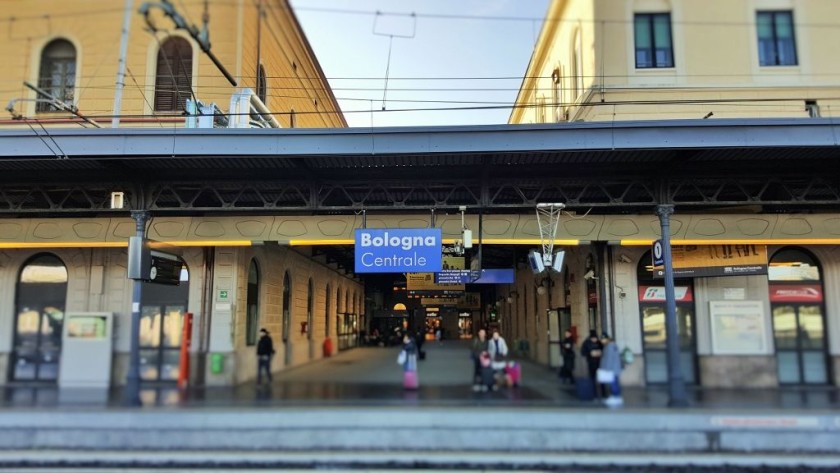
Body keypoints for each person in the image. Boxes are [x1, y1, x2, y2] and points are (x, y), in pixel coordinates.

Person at [599, 333, 623, 407]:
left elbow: (609, 359)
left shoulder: (609, 346)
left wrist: (607, 369)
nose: (602, 341)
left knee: (614, 384)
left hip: (612, 369)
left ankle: (616, 397)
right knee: (614, 383)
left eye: (603, 339)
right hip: (614, 369)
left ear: (606, 339)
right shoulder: (612, 345)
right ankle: (615, 397)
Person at [580, 330, 603, 397]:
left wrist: (600, 353)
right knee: (592, 378)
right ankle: (594, 393)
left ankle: (603, 393)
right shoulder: (587, 343)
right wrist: (590, 354)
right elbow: (583, 352)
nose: (594, 340)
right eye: (593, 338)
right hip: (591, 363)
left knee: (601, 378)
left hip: (599, 362)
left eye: (595, 338)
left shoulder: (599, 343)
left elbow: (603, 350)